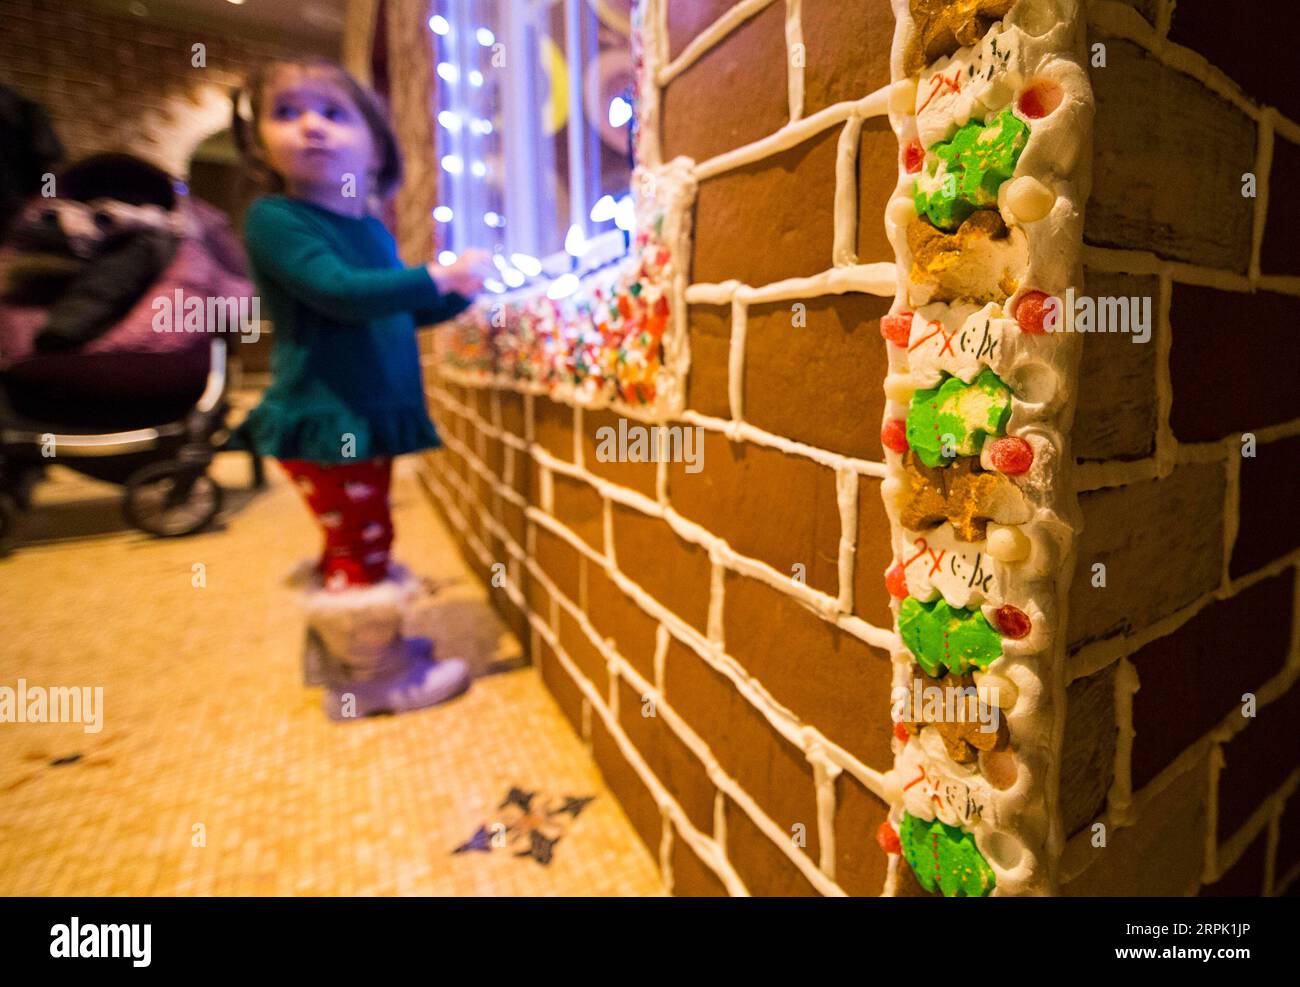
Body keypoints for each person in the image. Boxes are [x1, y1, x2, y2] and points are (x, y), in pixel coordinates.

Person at [227, 55, 491, 721]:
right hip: (325, 417)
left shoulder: (370, 229)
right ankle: (370, 676)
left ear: (376, 147)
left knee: (352, 536)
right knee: (365, 541)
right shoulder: (276, 219)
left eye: (332, 112)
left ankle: (339, 653)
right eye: (287, 113)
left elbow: (390, 306)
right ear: (260, 142)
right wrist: (435, 275)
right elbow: (340, 295)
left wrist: (454, 298)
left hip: (359, 415)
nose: (310, 126)